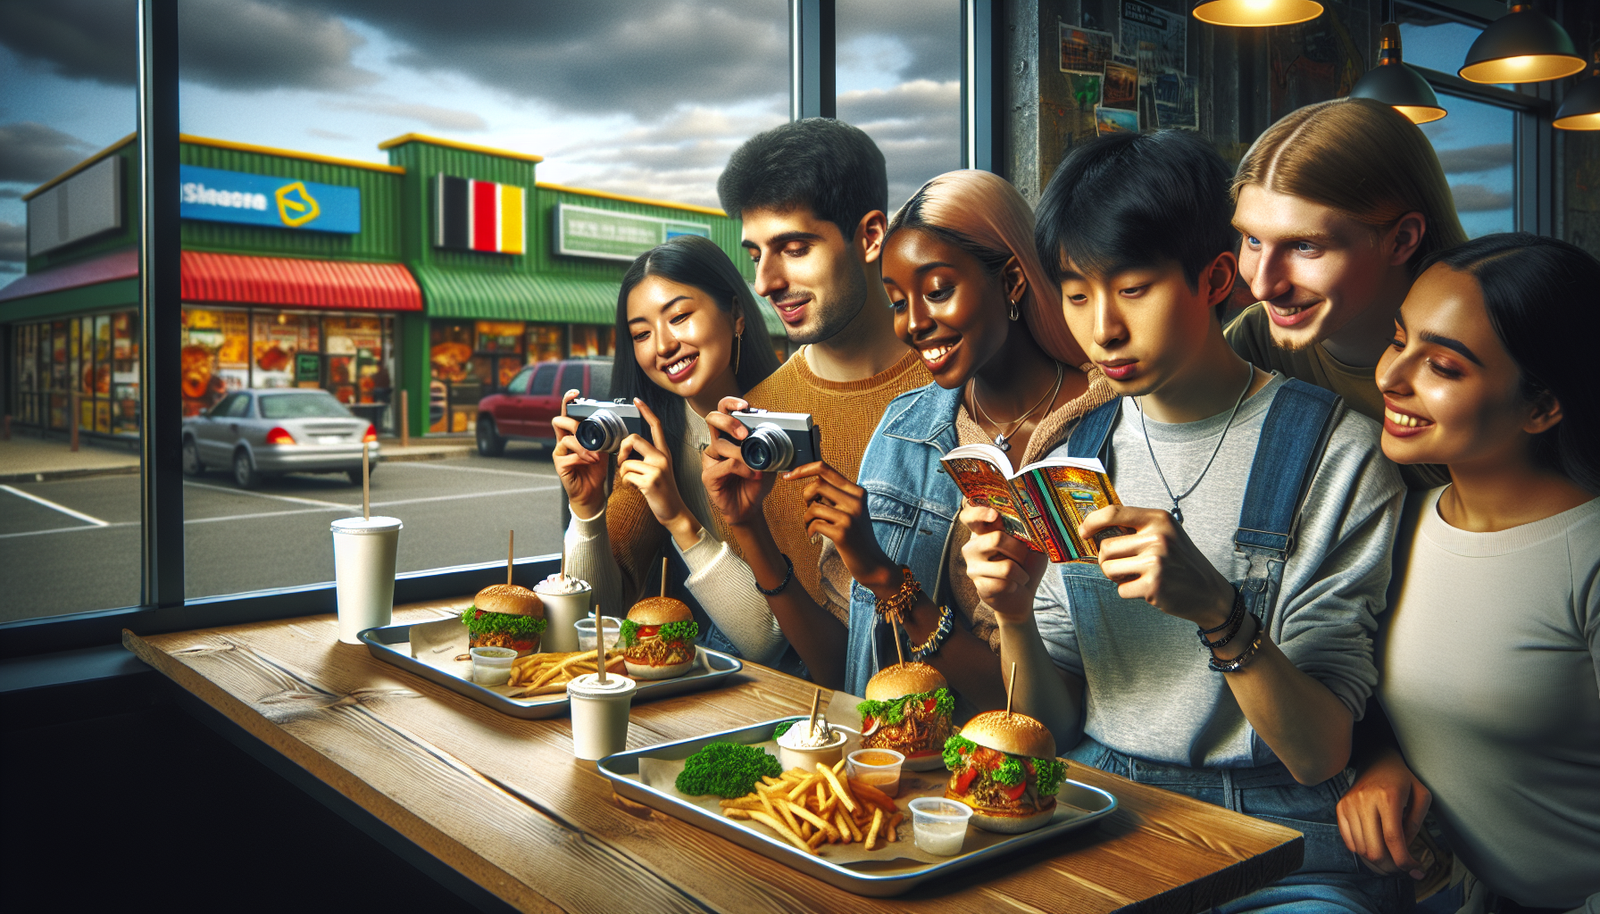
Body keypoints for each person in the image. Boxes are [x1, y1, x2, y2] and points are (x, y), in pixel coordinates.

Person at [961, 130, 1409, 912]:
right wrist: (1013, 617)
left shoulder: (1337, 452)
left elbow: (1318, 751)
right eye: (1075, 293)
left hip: (1283, 834)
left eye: (1133, 288)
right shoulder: (1071, 455)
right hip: (1098, 804)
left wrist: (1218, 609)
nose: (1101, 328)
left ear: (1214, 279)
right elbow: (1054, 728)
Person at [1334, 234, 1600, 914]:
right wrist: (1381, 762)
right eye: (1399, 340)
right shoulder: (1395, 523)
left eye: (1445, 367)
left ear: (1542, 406)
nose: (1393, 377)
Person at [781, 169, 1112, 707]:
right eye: (895, 301)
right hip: (905, 764)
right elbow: (855, 671)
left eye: (937, 291)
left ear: (1011, 281)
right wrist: (749, 530)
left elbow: (1050, 712)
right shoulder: (902, 430)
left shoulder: (1112, 425)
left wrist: (889, 580)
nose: (913, 323)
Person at [684, 118, 933, 682]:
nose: (767, 281)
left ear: (871, 236)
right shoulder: (754, 425)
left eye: (794, 248)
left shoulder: (955, 381)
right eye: (755, 255)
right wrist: (745, 529)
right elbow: (829, 670)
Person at [555, 234, 781, 658]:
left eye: (679, 317)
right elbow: (596, 612)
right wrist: (586, 510)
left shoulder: (783, 432)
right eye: (641, 333)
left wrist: (678, 518)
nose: (663, 346)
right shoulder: (652, 441)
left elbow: (769, 638)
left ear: (735, 314)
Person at [1227, 97, 1467, 490]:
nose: (1263, 286)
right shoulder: (1253, 338)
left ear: (1401, 239)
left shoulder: (1494, 353)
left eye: (1304, 246)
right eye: (1252, 239)